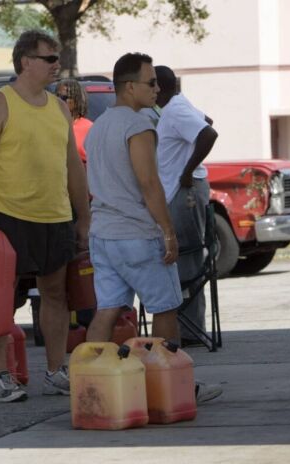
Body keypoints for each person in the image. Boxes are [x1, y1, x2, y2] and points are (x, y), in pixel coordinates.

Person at [84, 53, 221, 404]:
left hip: (103, 233)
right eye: (151, 83)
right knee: (165, 307)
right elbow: (149, 182)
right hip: (137, 234)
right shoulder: (138, 125)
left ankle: (91, 386)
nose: (158, 89)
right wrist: (168, 231)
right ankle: (169, 390)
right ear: (129, 87)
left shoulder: (98, 126)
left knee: (108, 309)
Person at [0, 30, 91, 402]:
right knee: (0, 298)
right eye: (49, 58)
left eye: (57, 58)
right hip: (7, 215)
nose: (57, 65)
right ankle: (0, 378)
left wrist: (83, 217)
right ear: (26, 62)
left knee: (56, 295)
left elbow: (73, 165)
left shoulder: (58, 107)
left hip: (55, 216)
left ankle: (55, 370)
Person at [153, 65, 218, 346]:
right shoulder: (176, 106)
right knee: (180, 257)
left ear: (160, 88)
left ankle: (190, 330)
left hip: (184, 191)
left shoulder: (176, 109)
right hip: (177, 190)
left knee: (186, 258)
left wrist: (187, 170)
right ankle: (186, 326)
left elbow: (208, 133)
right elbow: (208, 120)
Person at [55, 79, 92, 164]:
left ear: (77, 99)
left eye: (64, 97)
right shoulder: (51, 125)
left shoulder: (90, 128)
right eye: (57, 96)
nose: (59, 101)